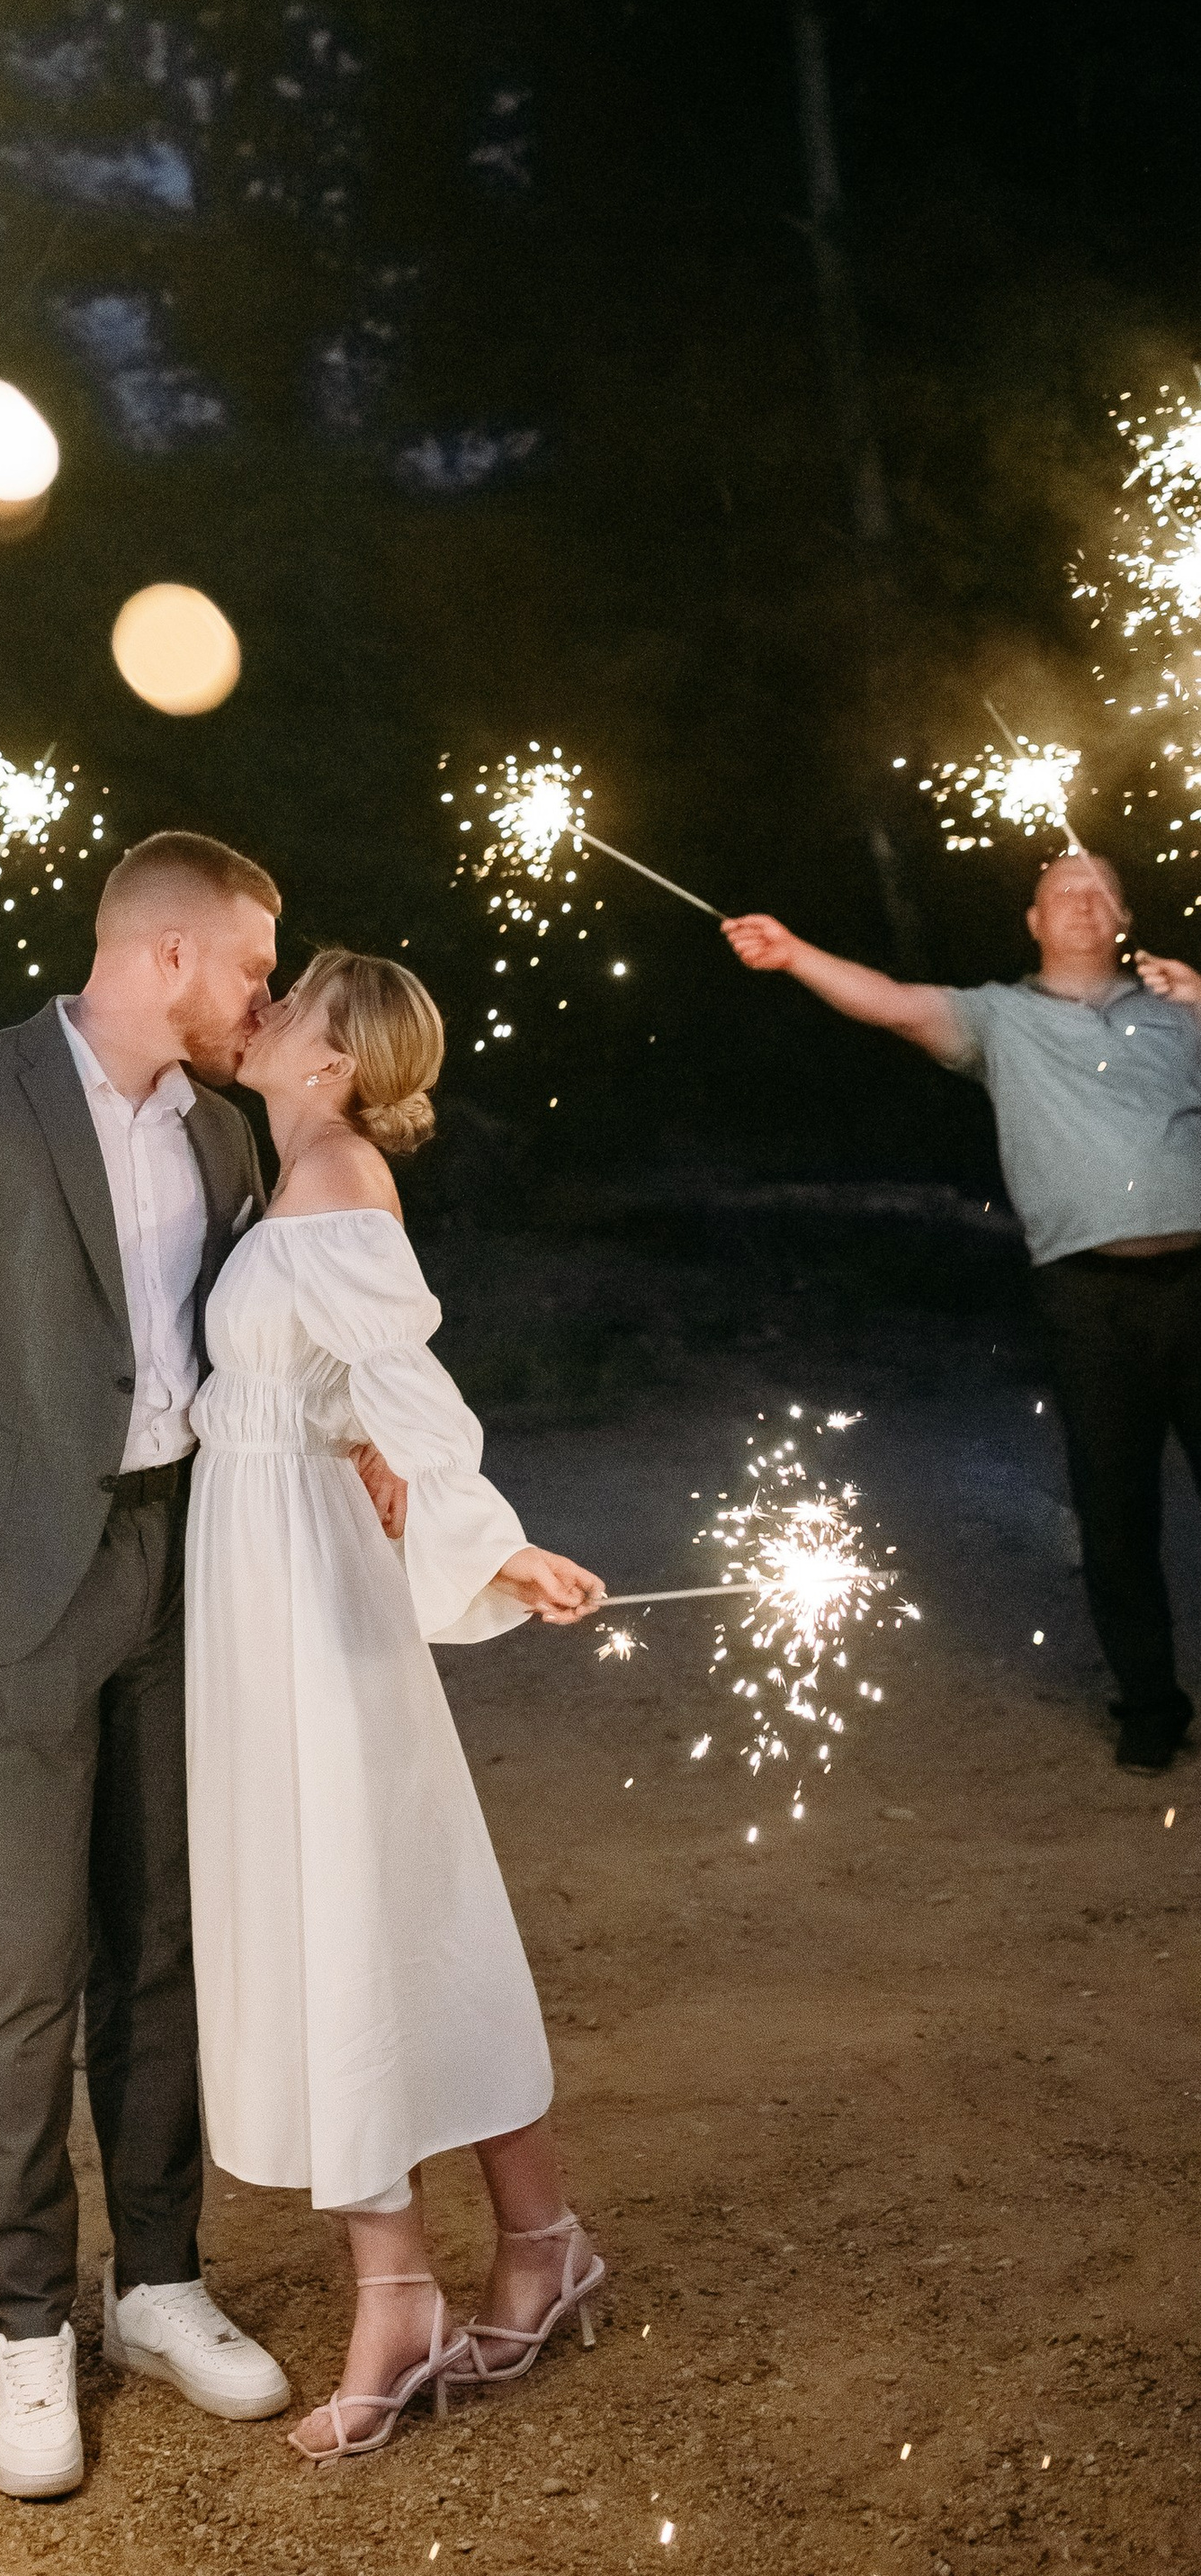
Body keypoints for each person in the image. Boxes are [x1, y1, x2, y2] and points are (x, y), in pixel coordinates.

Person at [0, 832, 292, 2505]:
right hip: (15, 1588)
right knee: (27, 1971)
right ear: (164, 955)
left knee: (160, 1944)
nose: (263, 998)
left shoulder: (228, 1133)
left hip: (184, 1567)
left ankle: (156, 2281)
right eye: (247, 966)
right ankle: (29, 2325)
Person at [193, 947, 606, 2463]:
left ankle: (400, 2293)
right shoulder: (295, 1164)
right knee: (402, 1893)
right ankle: (539, 2237)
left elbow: (409, 1385)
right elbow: (339, 1380)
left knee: (353, 1900)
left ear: (337, 1059)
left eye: (293, 1003)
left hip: (301, 1581)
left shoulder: (337, 1175)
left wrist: (492, 1536)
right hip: (270, 1560)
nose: (267, 1008)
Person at [724, 850, 1201, 1773]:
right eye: (1062, 891)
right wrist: (792, 954)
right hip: (1085, 1293)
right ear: (1032, 919)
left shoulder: (1177, 1009)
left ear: (1123, 914)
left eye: (1098, 890)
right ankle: (1150, 1703)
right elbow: (892, 1001)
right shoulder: (999, 1017)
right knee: (1113, 1506)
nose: (1080, 902)